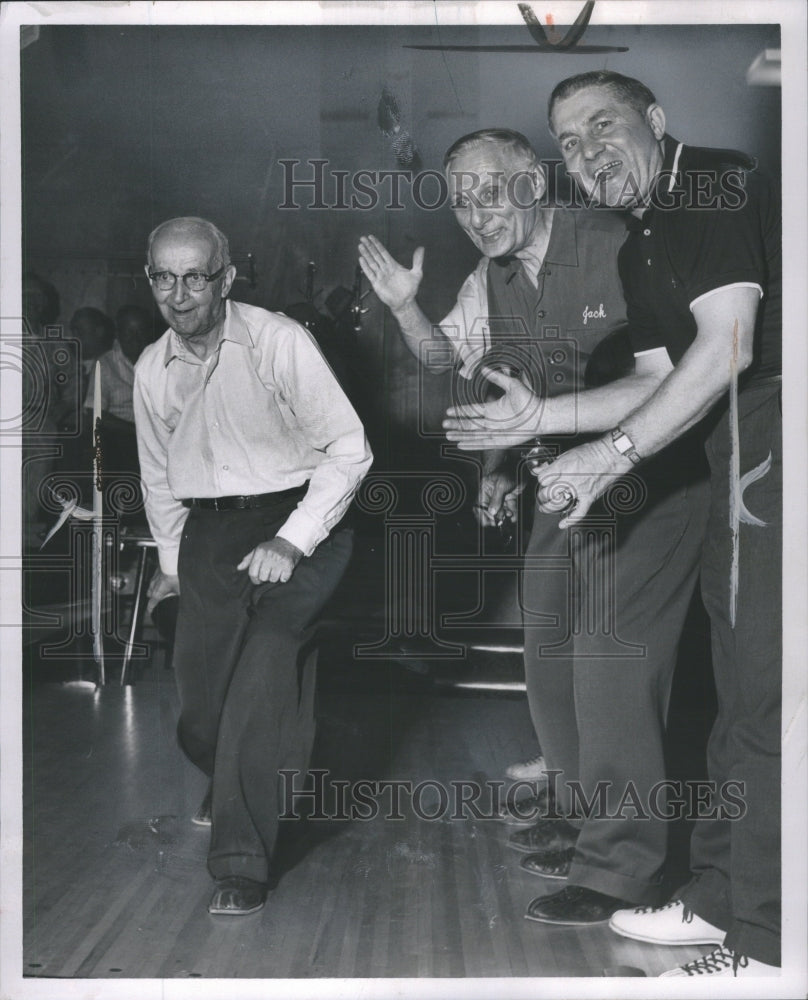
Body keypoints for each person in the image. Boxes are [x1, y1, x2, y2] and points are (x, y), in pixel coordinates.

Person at [448, 72, 781, 976]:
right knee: (722, 691)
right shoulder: (642, 246)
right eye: (570, 139)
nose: (588, 151)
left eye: (606, 126)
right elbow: (653, 372)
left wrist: (611, 453)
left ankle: (765, 935)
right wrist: (538, 427)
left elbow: (731, 348)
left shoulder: (712, 181)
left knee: (751, 692)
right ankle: (718, 897)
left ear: (658, 124)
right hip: (702, 456)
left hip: (747, 444)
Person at [360, 128, 708, 924]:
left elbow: (685, 370)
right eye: (460, 199)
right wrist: (407, 308)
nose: (476, 212)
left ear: (535, 182)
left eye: (491, 190)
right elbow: (447, 361)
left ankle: (624, 868)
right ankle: (586, 819)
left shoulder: (619, 241)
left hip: (649, 475)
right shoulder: (493, 274)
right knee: (549, 655)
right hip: (560, 479)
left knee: (610, 664)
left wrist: (551, 443)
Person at [133, 216, 372, 916]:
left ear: (227, 278)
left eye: (195, 276)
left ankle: (242, 861)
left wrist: (292, 540)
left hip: (302, 522)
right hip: (209, 536)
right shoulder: (151, 368)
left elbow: (349, 450)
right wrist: (175, 567)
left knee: (267, 663)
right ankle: (244, 773)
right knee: (203, 702)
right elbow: (156, 478)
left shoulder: (279, 341)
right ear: (150, 281)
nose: (180, 294)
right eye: (163, 278)